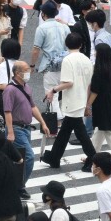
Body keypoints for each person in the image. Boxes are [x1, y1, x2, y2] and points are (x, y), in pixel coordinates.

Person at [42, 33, 96, 170]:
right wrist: (87, 103)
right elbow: (89, 84)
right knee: (66, 131)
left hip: (71, 100)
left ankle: (94, 159)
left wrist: (53, 90)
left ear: (66, 44)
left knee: (80, 133)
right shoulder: (87, 60)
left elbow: (68, 82)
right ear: (81, 45)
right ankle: (54, 157)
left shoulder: (67, 60)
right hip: (81, 99)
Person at [3, 61, 51, 190]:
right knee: (29, 157)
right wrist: (11, 132)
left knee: (20, 158)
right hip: (17, 128)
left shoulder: (26, 87)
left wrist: (43, 123)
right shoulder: (10, 90)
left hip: (26, 128)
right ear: (17, 73)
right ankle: (19, 186)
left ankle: (14, 184)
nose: (29, 72)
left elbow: (33, 107)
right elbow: (7, 112)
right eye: (26, 70)